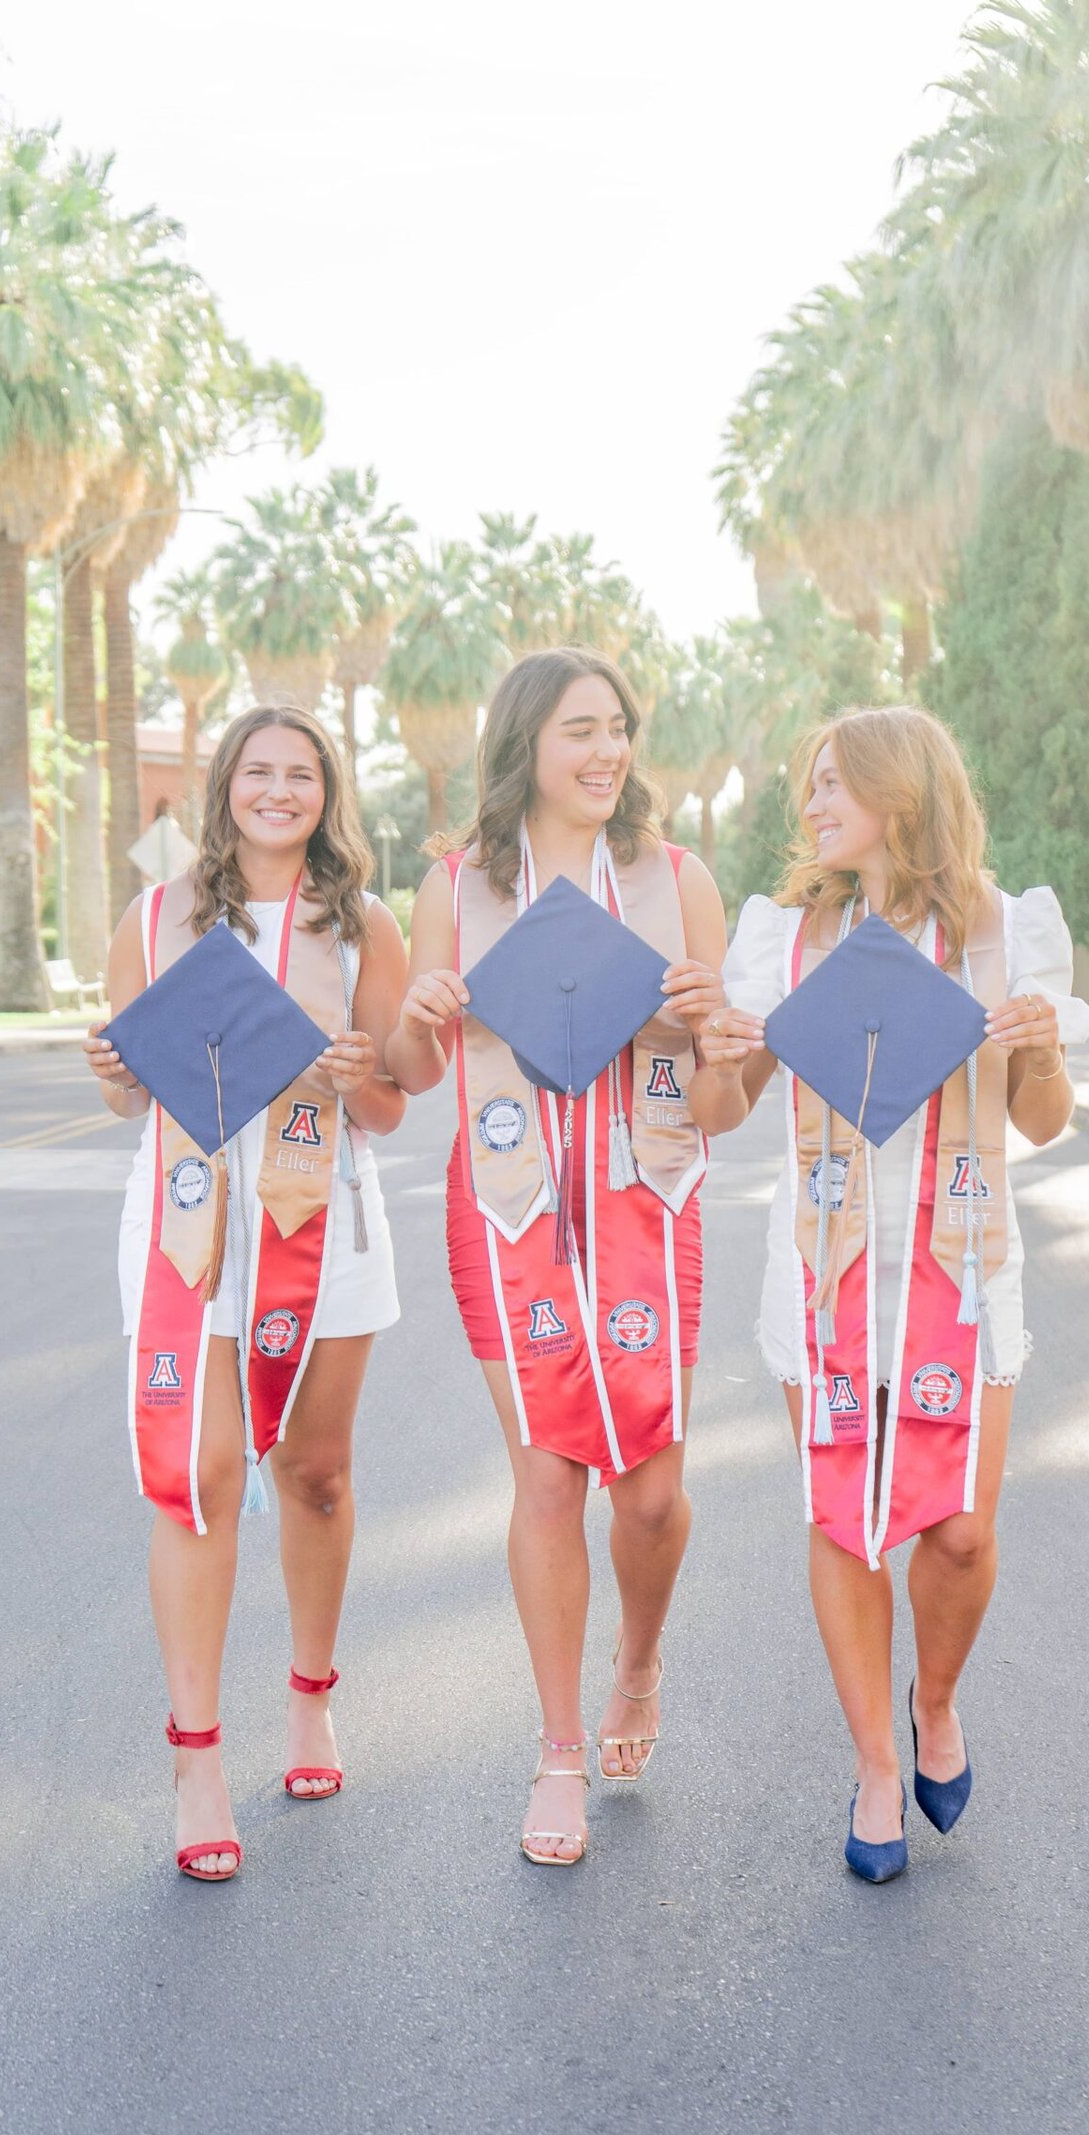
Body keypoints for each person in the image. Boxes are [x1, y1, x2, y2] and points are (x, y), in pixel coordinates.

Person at [691, 705, 1089, 1882]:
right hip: (822, 1271)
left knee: (959, 1535)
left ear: (898, 794)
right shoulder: (787, 938)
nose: (810, 805)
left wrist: (1040, 1048)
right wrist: (720, 1048)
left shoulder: (999, 930)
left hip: (964, 1270)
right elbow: (723, 1115)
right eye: (806, 786)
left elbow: (1041, 1121)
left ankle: (934, 1703)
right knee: (843, 1521)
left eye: (831, 784)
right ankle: (875, 1762)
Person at [384, 648, 727, 1866]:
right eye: (581, 728)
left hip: (650, 1197)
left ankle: (637, 1660)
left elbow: (722, 1094)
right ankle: (559, 1746)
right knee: (548, 1482)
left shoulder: (675, 879)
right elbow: (413, 1073)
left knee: (647, 1493)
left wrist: (705, 1030)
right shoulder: (455, 887)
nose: (607, 750)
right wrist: (417, 1020)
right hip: (510, 1203)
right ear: (525, 739)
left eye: (620, 727)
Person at [85, 705, 407, 1881]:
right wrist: (114, 1070)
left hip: (324, 1214)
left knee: (314, 1472)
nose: (279, 791)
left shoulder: (364, 923)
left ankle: (311, 1696)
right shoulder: (156, 916)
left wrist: (353, 1071)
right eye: (258, 771)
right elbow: (130, 1090)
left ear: (328, 793)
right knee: (201, 1474)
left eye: (302, 774)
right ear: (224, 787)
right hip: (185, 1214)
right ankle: (197, 1755)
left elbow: (390, 1105)